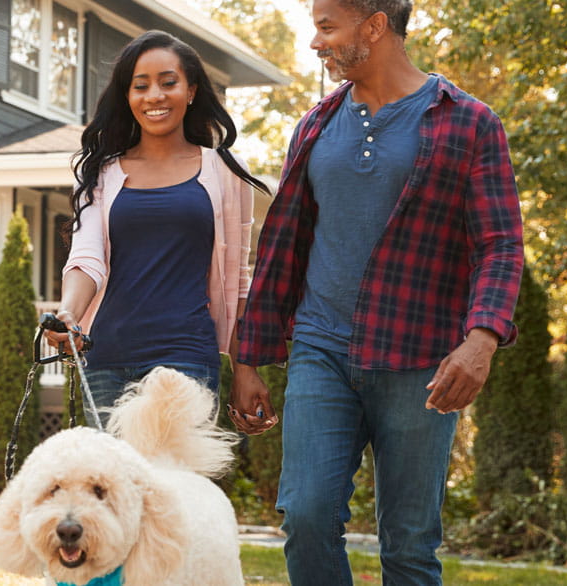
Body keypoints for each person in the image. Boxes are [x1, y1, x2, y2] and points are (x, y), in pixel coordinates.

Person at [228, 0, 524, 584]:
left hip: (420, 360)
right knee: (307, 517)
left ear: (375, 26)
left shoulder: (468, 121)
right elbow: (283, 247)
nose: (316, 43)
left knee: (409, 548)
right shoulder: (314, 125)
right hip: (321, 350)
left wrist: (481, 341)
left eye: (326, 27)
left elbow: (500, 244)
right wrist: (248, 359)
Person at [46, 30, 271, 413]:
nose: (154, 96)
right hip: (106, 361)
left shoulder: (226, 172)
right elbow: (86, 259)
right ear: (127, 96)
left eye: (168, 83)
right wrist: (68, 312)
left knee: (175, 475)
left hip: (187, 361)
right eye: (140, 86)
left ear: (191, 90)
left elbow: (238, 281)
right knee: (112, 475)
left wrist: (244, 369)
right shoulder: (99, 173)